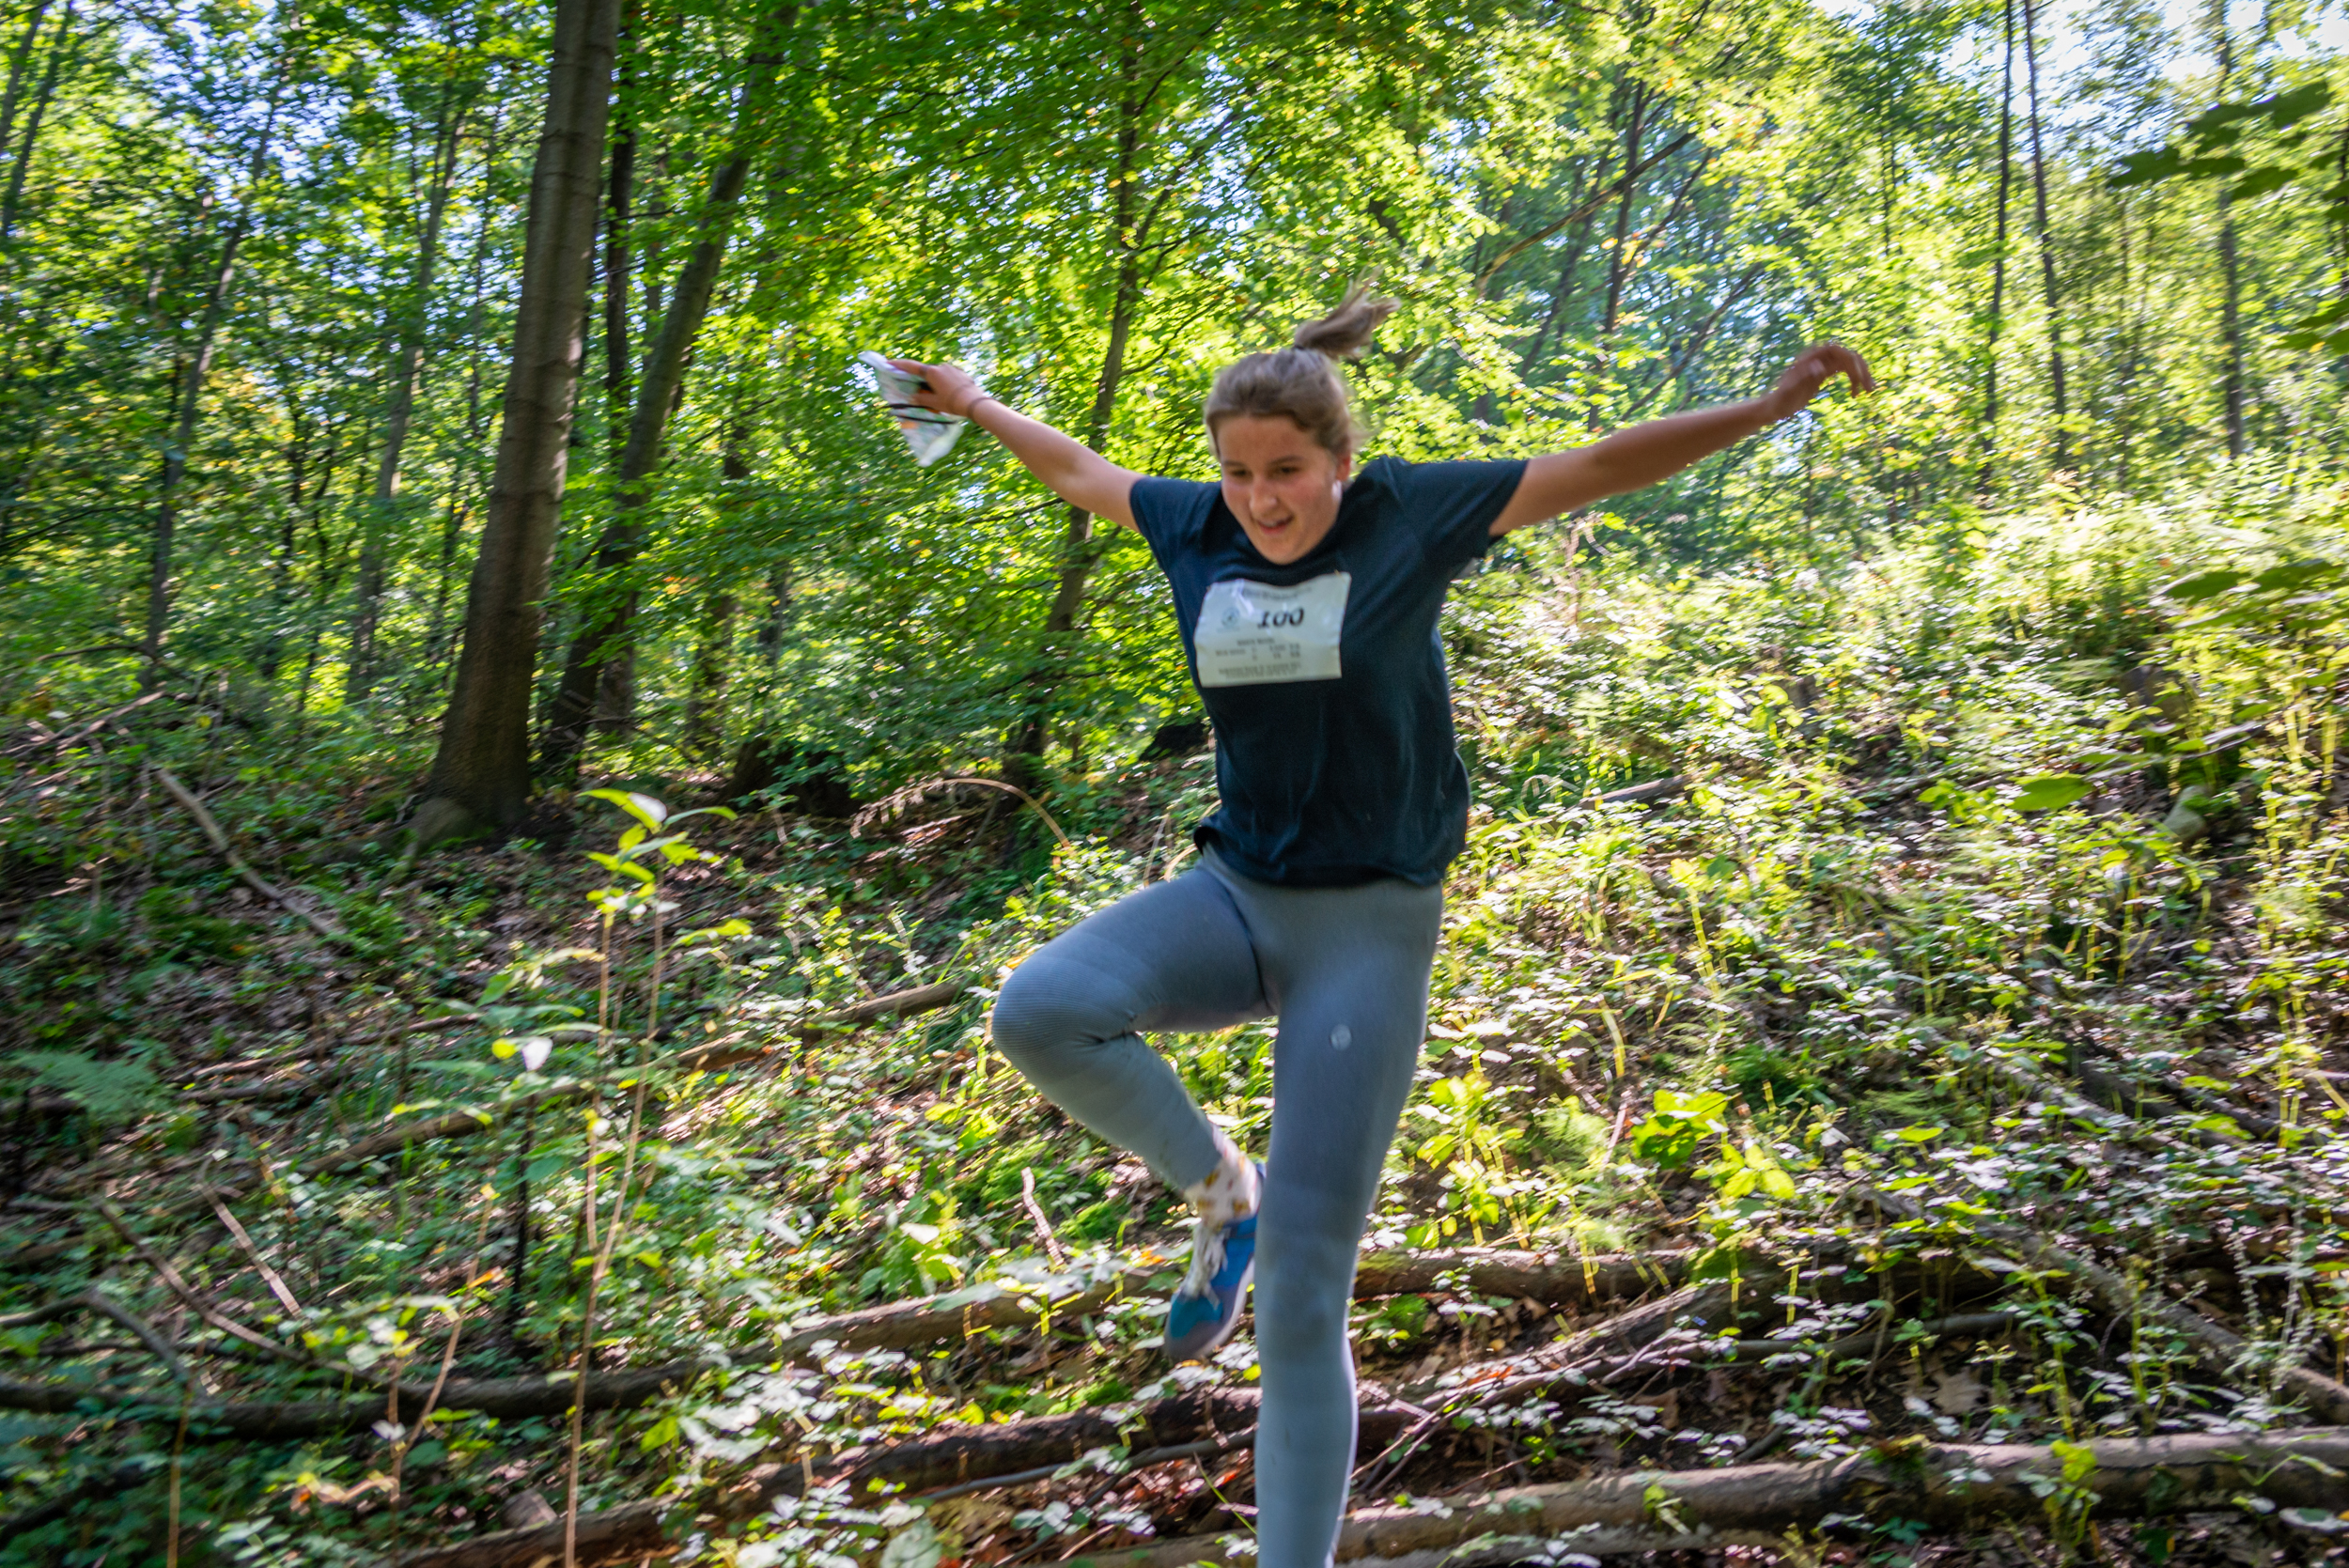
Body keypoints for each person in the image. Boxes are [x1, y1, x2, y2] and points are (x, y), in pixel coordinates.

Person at [887, 293, 1872, 1568]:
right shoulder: (1195, 525)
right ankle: (1220, 1189)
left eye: (1287, 471)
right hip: (1236, 895)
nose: (1262, 499)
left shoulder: (1409, 514)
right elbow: (1081, 471)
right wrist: (971, 403)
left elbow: (1598, 463)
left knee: (1304, 1294)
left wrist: (1769, 407)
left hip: (1369, 932)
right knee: (1041, 1009)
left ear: (1340, 462)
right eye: (1240, 472)